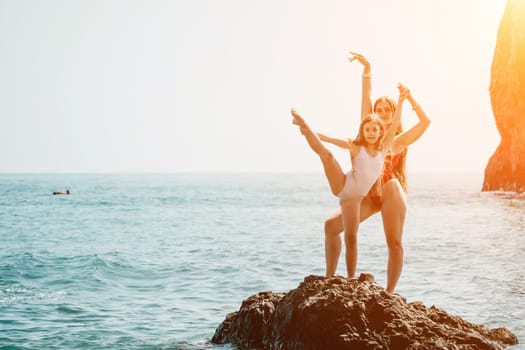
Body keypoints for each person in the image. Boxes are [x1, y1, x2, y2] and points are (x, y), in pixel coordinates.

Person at [322, 52, 431, 292]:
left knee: (394, 242)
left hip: (390, 193)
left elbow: (425, 122)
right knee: (331, 227)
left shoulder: (397, 140)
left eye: (387, 109)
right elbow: (366, 96)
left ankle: (389, 293)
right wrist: (367, 69)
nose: (382, 112)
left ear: (393, 116)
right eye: (379, 109)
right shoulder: (367, 133)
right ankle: (329, 279)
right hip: (368, 196)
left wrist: (409, 98)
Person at [291, 84, 407, 279]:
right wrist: (310, 132)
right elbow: (327, 139)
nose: (371, 133)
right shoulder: (355, 146)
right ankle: (302, 121)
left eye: (374, 130)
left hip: (354, 200)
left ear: (380, 133)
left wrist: (401, 100)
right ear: (362, 131)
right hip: (343, 185)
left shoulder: (384, 148)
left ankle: (350, 279)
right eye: (367, 129)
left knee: (351, 238)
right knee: (326, 155)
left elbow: (395, 123)